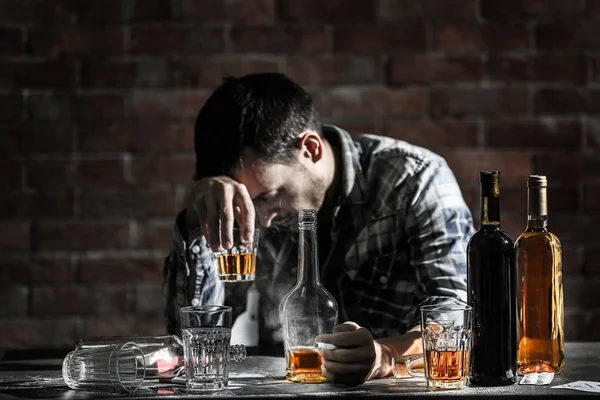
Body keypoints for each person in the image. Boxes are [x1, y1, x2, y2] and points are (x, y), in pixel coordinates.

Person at [162, 72, 475, 385]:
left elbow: (457, 316)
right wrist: (196, 225)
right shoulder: (247, 212)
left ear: (310, 148)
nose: (262, 220)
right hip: (289, 392)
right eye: (249, 203)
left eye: (270, 197)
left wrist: (385, 356)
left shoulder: (414, 180)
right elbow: (192, 343)